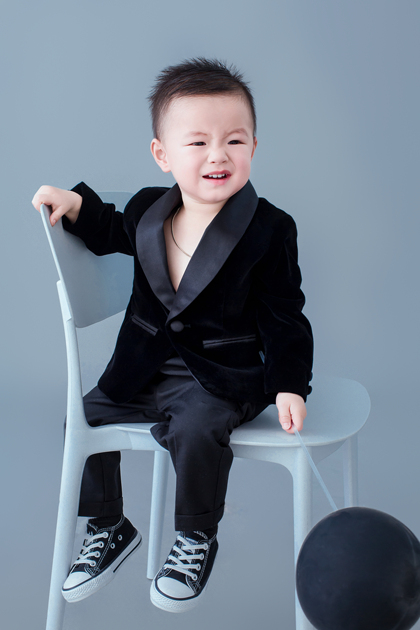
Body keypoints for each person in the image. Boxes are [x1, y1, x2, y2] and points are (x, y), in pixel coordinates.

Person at [32, 58, 313, 613]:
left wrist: (290, 384)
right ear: (163, 154)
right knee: (80, 417)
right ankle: (109, 526)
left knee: (197, 428)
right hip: (142, 369)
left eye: (234, 140)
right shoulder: (148, 209)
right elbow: (112, 230)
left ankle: (194, 536)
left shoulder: (270, 228)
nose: (218, 155)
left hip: (218, 378)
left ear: (254, 146)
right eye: (199, 142)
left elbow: (284, 313)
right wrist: (78, 206)